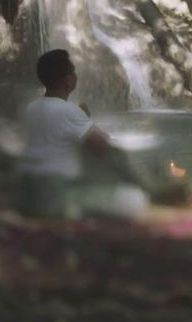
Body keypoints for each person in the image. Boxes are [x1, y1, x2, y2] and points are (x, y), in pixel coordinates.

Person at [15, 49, 149, 220]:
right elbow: (103, 145)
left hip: (27, 191)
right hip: (56, 194)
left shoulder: (31, 108)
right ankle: (147, 191)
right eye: (73, 72)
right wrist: (84, 119)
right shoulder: (69, 111)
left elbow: (54, 132)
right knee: (133, 199)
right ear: (69, 81)